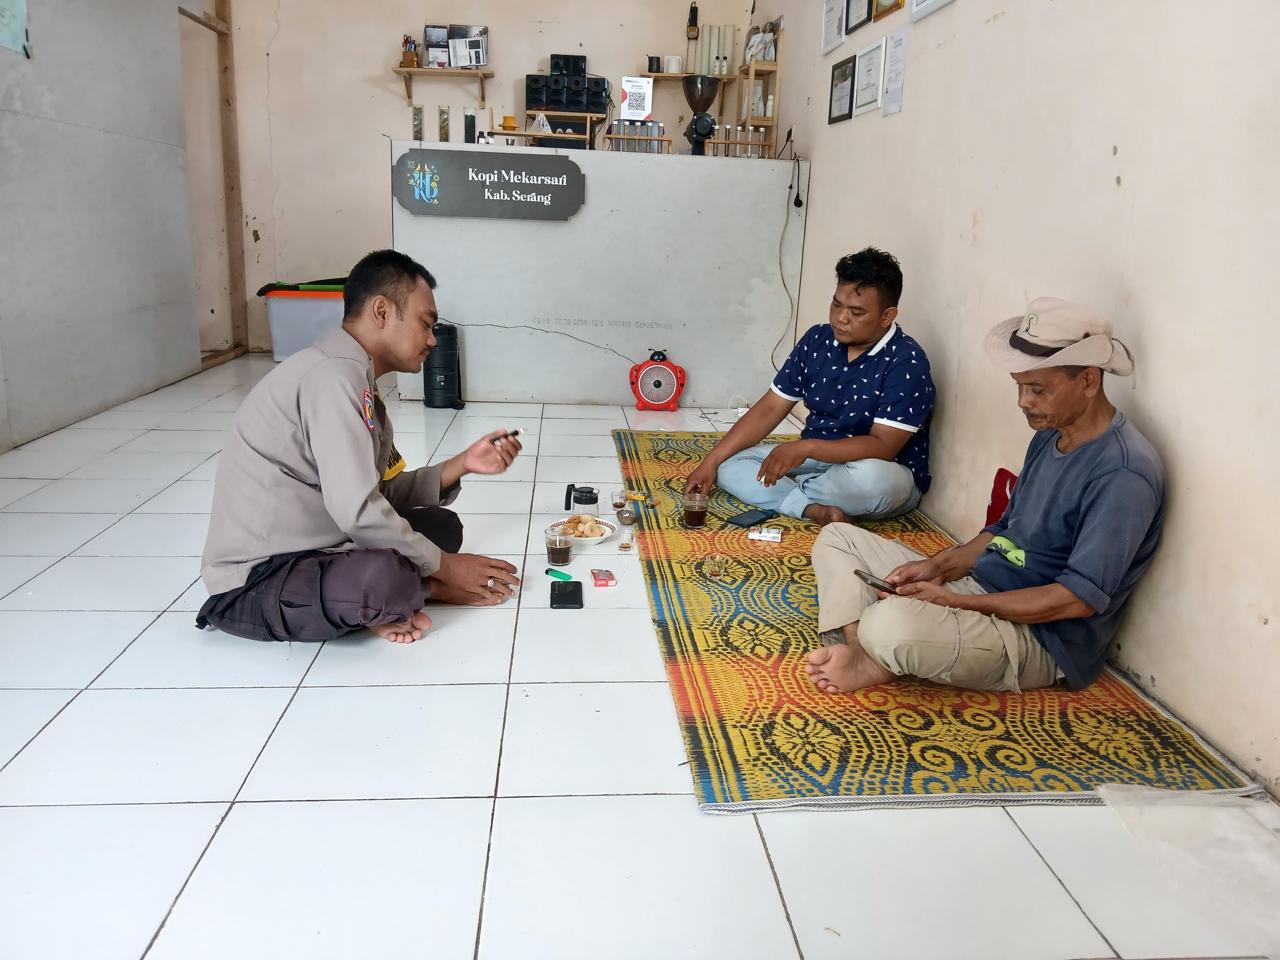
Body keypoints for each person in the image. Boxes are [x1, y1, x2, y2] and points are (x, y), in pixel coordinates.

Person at [805, 297, 1164, 694]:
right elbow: (1003, 529)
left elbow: (1075, 600)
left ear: (1089, 382)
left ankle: (877, 645)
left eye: (1038, 389)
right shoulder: (1051, 434)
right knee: (837, 538)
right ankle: (862, 653)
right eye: (1020, 386)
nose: (1023, 401)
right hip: (983, 587)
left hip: (1039, 638)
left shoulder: (1123, 473)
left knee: (887, 624)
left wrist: (957, 604)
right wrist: (940, 567)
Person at [197, 249, 522, 645]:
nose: (432, 339)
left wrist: (463, 463)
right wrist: (447, 571)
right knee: (387, 579)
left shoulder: (354, 378)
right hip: (261, 578)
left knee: (442, 527)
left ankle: (389, 598)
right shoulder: (332, 378)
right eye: (425, 323)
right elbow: (358, 511)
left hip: (325, 543)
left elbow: (377, 493)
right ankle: (416, 592)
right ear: (381, 311)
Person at [685, 247, 936, 525]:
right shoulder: (818, 340)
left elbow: (882, 446)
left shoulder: (906, 361)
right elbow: (770, 408)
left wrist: (806, 448)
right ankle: (815, 510)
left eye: (856, 312)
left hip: (876, 471)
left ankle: (792, 495)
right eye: (836, 304)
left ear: (887, 316)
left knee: (875, 482)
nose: (841, 318)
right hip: (817, 463)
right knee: (729, 465)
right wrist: (710, 462)